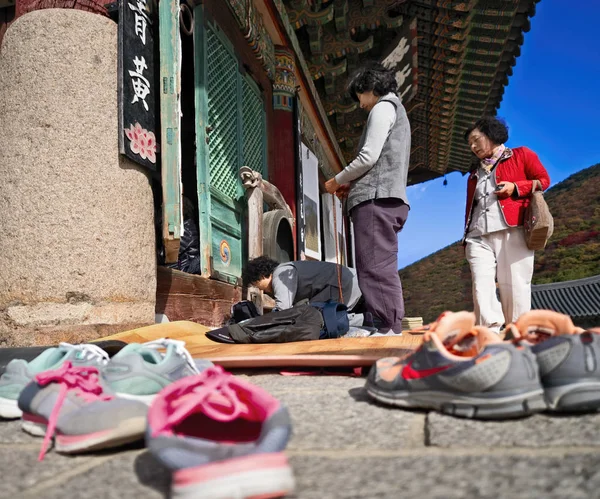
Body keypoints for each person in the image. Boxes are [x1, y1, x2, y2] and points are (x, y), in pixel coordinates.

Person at [324, 61, 410, 335]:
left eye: (360, 96)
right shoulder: (398, 112)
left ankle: (387, 325)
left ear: (371, 88)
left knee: (374, 266)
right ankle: (384, 322)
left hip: (376, 200)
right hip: (387, 197)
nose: (360, 104)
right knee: (379, 263)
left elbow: (368, 157)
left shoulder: (384, 107)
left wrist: (337, 180)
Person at [463, 116, 550, 332]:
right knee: (481, 282)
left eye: (476, 140)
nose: (473, 147)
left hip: (513, 229)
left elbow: (544, 180)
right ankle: (490, 329)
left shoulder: (521, 155)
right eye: (470, 144)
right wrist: (466, 236)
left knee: (515, 284)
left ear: (491, 134)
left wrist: (515, 187)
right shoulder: (474, 173)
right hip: (478, 235)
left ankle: (518, 330)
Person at [242, 256, 363, 313]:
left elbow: (282, 310)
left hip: (342, 285)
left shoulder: (280, 274)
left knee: (318, 318)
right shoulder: (286, 270)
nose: (259, 289)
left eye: (256, 284)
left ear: (262, 275)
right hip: (352, 281)